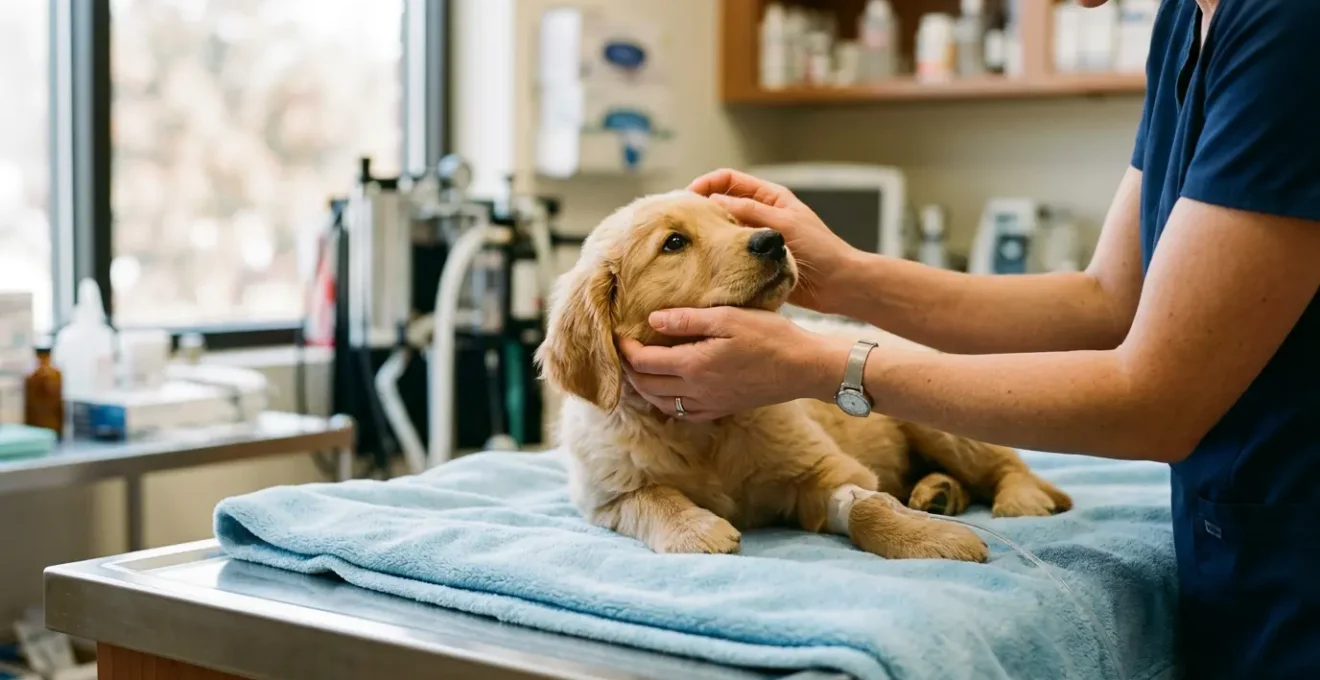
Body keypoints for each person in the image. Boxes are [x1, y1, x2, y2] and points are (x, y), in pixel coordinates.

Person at [617, 0, 1319, 677]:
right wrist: (846, 277)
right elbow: (1108, 301)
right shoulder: (1185, 21)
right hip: (1239, 550)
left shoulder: (1292, 23)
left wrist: (820, 363)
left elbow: (1157, 400)